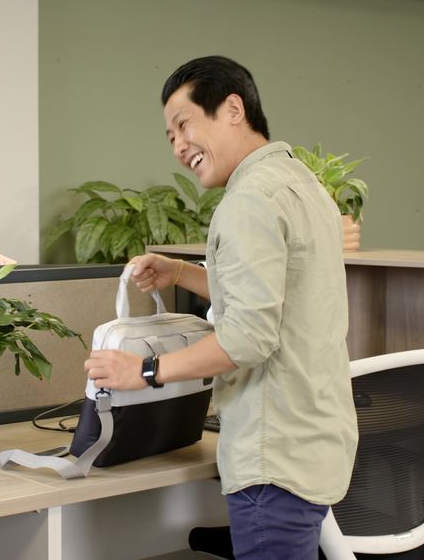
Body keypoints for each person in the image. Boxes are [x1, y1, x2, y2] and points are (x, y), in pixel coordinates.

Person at [83, 56, 358, 558]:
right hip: (313, 441)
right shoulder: (303, 184)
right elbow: (276, 297)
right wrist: (182, 272)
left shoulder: (249, 201)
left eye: (183, 123)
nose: (178, 145)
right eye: (169, 136)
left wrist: (144, 370)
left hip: (272, 452)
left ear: (233, 108)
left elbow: (248, 337)